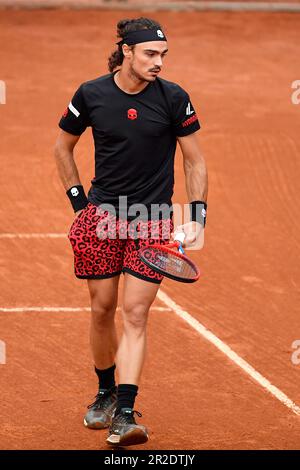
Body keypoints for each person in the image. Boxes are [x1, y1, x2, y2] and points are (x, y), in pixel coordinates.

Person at [54, 16, 208, 447]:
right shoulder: (92, 94)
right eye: (150, 54)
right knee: (102, 308)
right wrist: (78, 203)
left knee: (135, 313)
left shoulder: (174, 98)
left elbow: (194, 159)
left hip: (153, 218)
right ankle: (104, 392)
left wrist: (197, 215)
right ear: (127, 51)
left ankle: (125, 410)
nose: (159, 62)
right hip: (102, 216)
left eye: (163, 55)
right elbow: (62, 146)